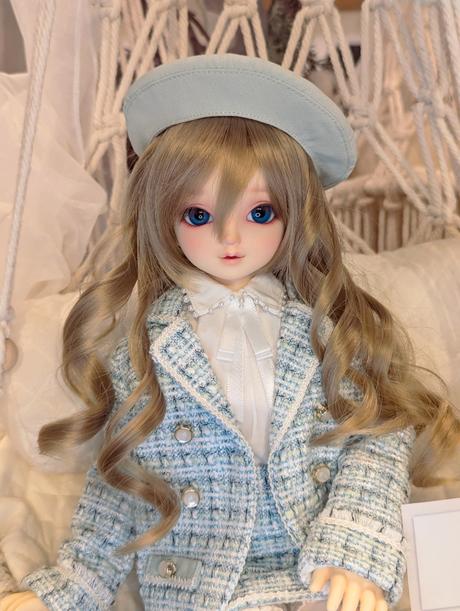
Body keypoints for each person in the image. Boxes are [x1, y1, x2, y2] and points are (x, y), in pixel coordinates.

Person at [1, 53, 459, 611]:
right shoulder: (146, 353)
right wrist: (67, 591)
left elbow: (378, 437)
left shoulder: (329, 334)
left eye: (261, 213)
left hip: (316, 575)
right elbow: (120, 488)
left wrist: (354, 549)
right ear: (163, 217)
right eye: (198, 216)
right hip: (200, 590)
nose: (230, 238)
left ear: (297, 213)